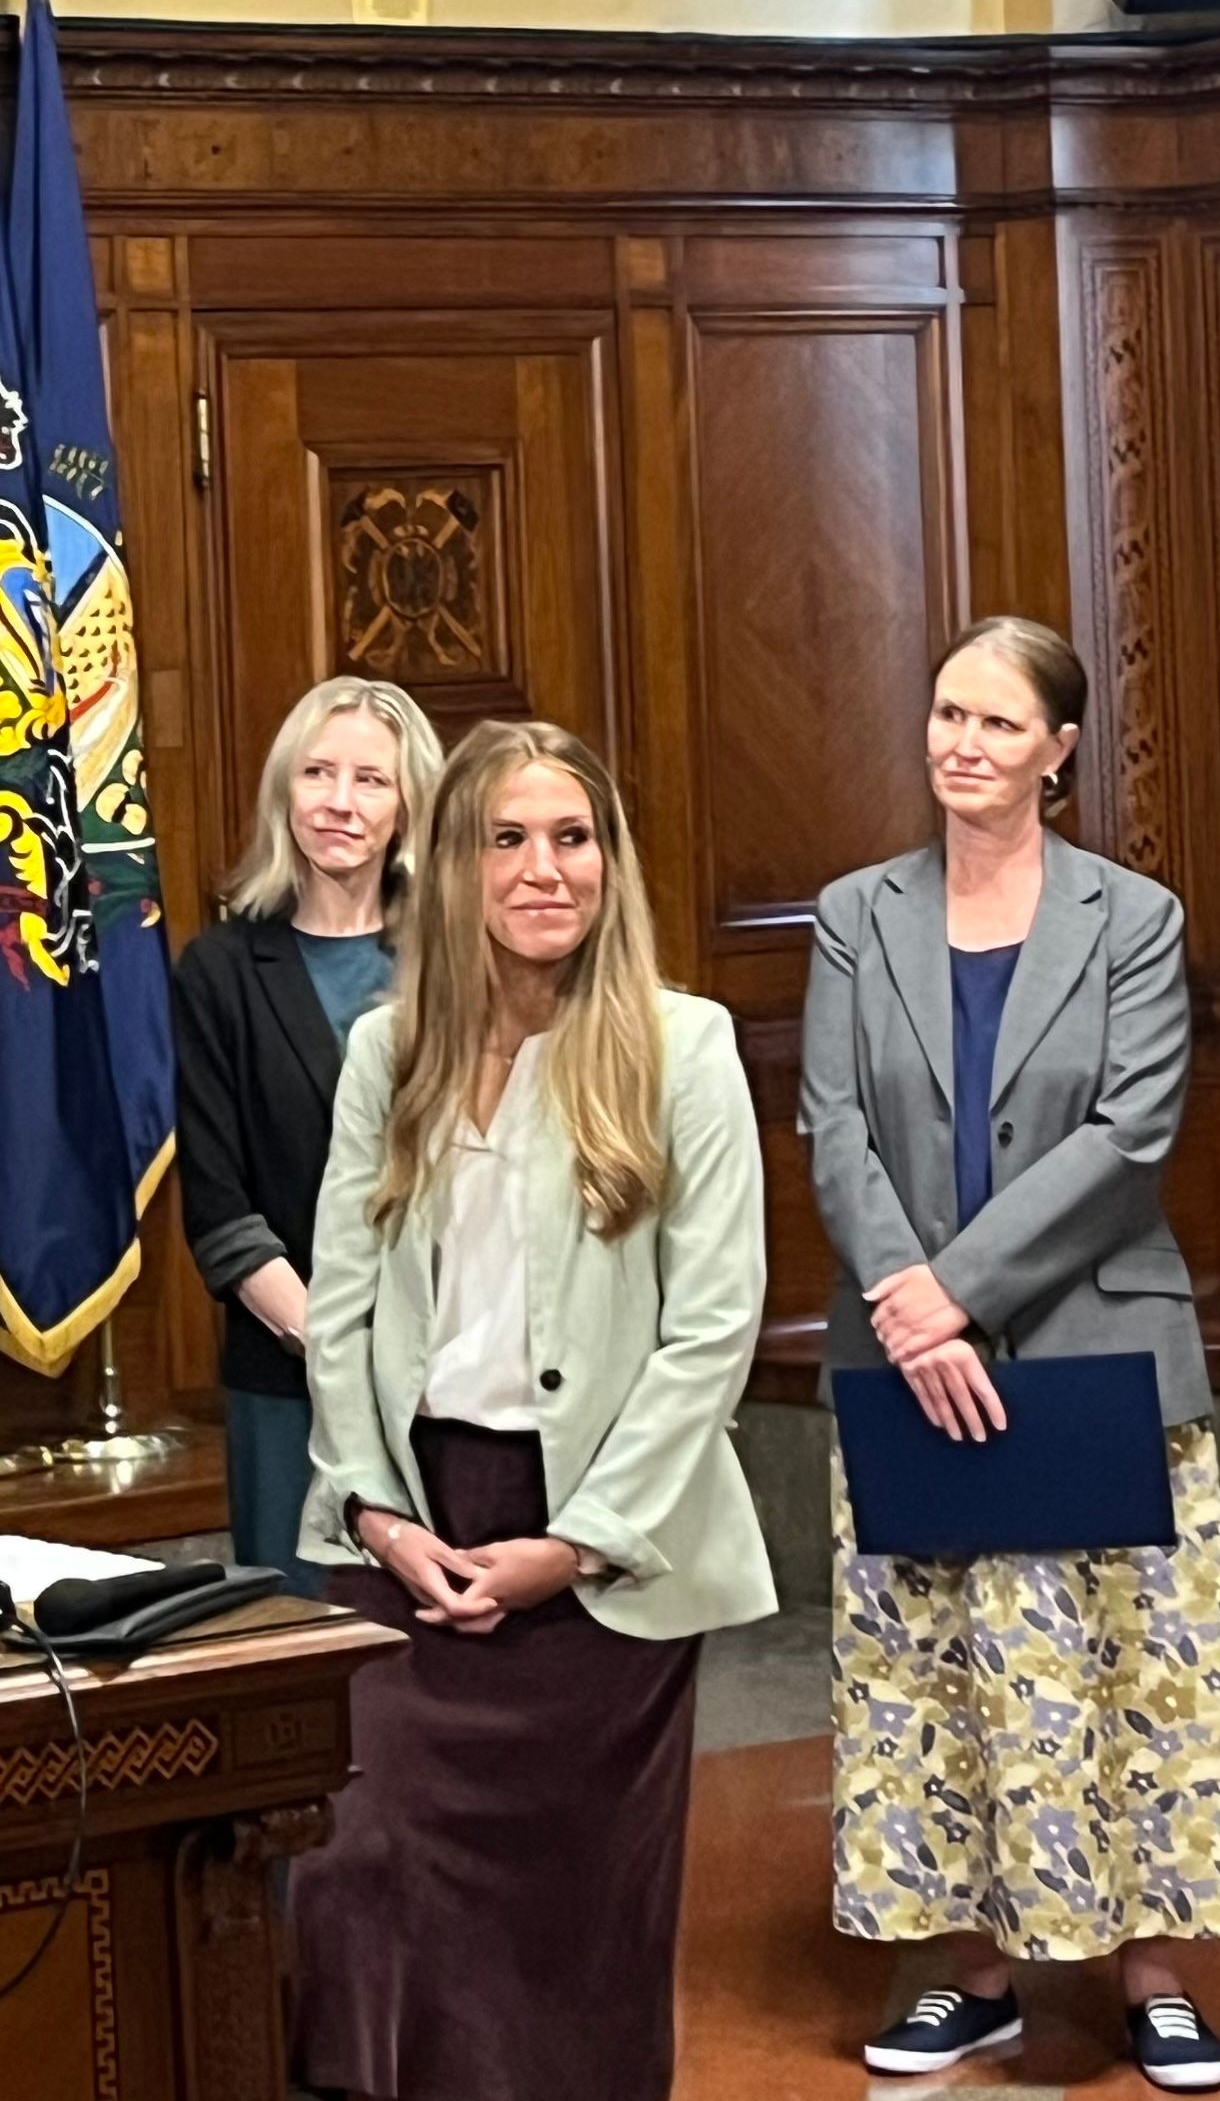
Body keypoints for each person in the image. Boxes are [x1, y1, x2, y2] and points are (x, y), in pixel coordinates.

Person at [801, 615, 1220, 2095]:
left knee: (1139, 1676)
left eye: (998, 724)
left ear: (1060, 752)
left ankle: (1157, 1979)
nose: (962, 744)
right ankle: (978, 1977)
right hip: (903, 1360)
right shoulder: (853, 915)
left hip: (1096, 1352)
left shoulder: (1134, 918)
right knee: (936, 1676)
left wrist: (956, 1295)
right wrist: (903, 1298)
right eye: (946, 714)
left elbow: (1132, 1138)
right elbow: (834, 1128)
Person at [293, 717, 773, 2101]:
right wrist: (376, 1511)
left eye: (574, 839)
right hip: (412, 1532)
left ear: (612, 864)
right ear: (452, 865)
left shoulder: (683, 1047)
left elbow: (711, 1329)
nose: (544, 870)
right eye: (508, 839)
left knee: (570, 1938)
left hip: (599, 1556)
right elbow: (341, 1305)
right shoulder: (391, 1051)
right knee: (352, 1867)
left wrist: (578, 1542)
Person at [174, 674, 442, 1590]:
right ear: (283, 791)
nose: (339, 802)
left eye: (372, 779)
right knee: (302, 1658)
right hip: (288, 1378)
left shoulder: (456, 964)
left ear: (410, 805)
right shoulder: (218, 970)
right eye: (318, 773)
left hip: (452, 1377)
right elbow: (217, 1205)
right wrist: (338, 1345)